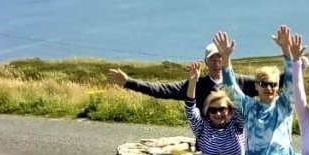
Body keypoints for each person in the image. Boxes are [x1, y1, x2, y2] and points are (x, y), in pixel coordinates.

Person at [214, 28, 300, 155]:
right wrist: (225, 58)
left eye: (274, 84)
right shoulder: (249, 106)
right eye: (264, 84)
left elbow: (292, 80)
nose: (269, 88)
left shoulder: (284, 104)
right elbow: (230, 89)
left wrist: (286, 50)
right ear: (256, 86)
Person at [106, 42, 265, 106]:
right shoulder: (195, 86)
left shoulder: (242, 82)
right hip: (207, 146)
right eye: (212, 60)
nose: (217, 64)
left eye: (220, 59)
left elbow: (273, 82)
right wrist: (129, 82)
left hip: (238, 146)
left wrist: (289, 57)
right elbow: (161, 90)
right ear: (206, 62)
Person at [183, 60, 245, 155]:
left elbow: (236, 98)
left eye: (222, 109)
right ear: (208, 111)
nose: (218, 114)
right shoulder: (202, 128)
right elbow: (190, 110)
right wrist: (192, 82)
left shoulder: (237, 124)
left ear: (229, 110)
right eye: (213, 110)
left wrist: (226, 61)